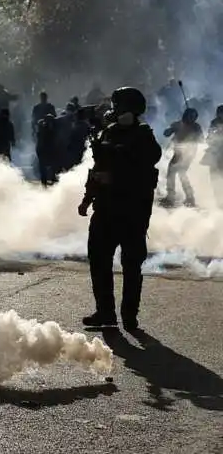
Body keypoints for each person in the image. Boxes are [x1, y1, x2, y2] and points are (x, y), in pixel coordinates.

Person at [77, 87, 162, 331]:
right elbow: (97, 170)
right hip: (105, 209)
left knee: (131, 265)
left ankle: (129, 316)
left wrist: (119, 154)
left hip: (133, 212)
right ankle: (105, 312)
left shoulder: (144, 136)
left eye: (118, 106)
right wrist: (86, 198)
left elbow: (149, 160)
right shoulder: (109, 133)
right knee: (98, 260)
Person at [160, 107, 203, 208]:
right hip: (178, 153)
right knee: (174, 173)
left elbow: (201, 139)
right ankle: (181, 197)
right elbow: (166, 133)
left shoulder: (196, 127)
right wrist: (171, 129)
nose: (190, 119)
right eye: (189, 116)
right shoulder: (178, 124)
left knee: (179, 173)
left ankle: (184, 197)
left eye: (192, 117)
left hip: (188, 154)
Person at [201, 105, 223, 207]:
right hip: (215, 154)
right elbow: (209, 137)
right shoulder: (214, 123)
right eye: (220, 113)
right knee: (215, 178)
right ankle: (218, 202)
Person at [36, 113, 58, 186]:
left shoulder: (50, 128)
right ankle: (45, 182)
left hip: (47, 149)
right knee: (44, 167)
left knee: (51, 166)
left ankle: (50, 179)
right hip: (44, 150)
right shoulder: (43, 129)